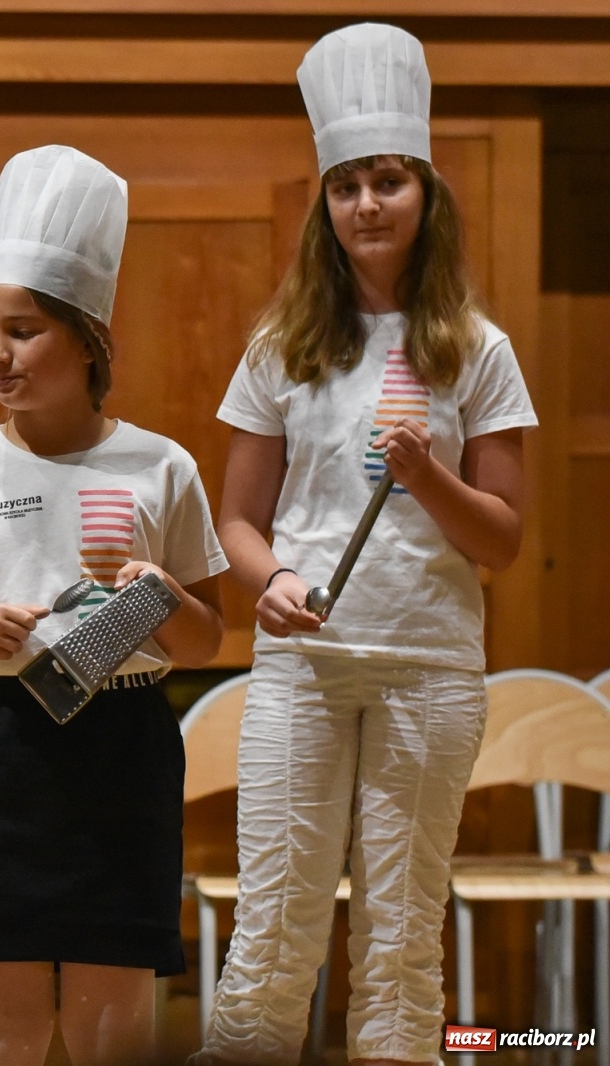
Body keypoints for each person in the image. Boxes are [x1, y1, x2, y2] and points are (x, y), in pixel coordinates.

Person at [196, 23, 537, 1065]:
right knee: (272, 932)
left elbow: (504, 540)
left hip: (429, 668)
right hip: (304, 665)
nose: (366, 206)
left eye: (387, 181)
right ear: (325, 206)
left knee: (398, 945)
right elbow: (235, 521)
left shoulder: (477, 349)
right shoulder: (283, 346)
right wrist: (277, 580)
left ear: (425, 193)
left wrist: (427, 470)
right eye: (345, 186)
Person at [0, 145, 227, 1066]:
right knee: (6, 1040)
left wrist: (161, 596)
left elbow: (206, 640)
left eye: (23, 331)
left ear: (90, 340)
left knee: (116, 1035)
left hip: (123, 750)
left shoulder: (162, 466)